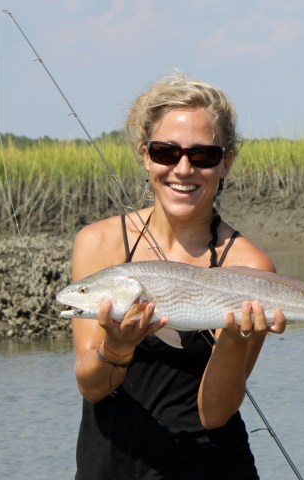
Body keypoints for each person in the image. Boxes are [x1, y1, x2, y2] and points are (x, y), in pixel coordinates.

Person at [70, 73, 287, 479]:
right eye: (166, 152)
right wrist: (117, 345)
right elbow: (93, 387)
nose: (183, 169)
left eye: (203, 155)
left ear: (226, 162)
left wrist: (239, 338)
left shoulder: (250, 266)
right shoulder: (98, 244)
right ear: (145, 155)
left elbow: (215, 412)